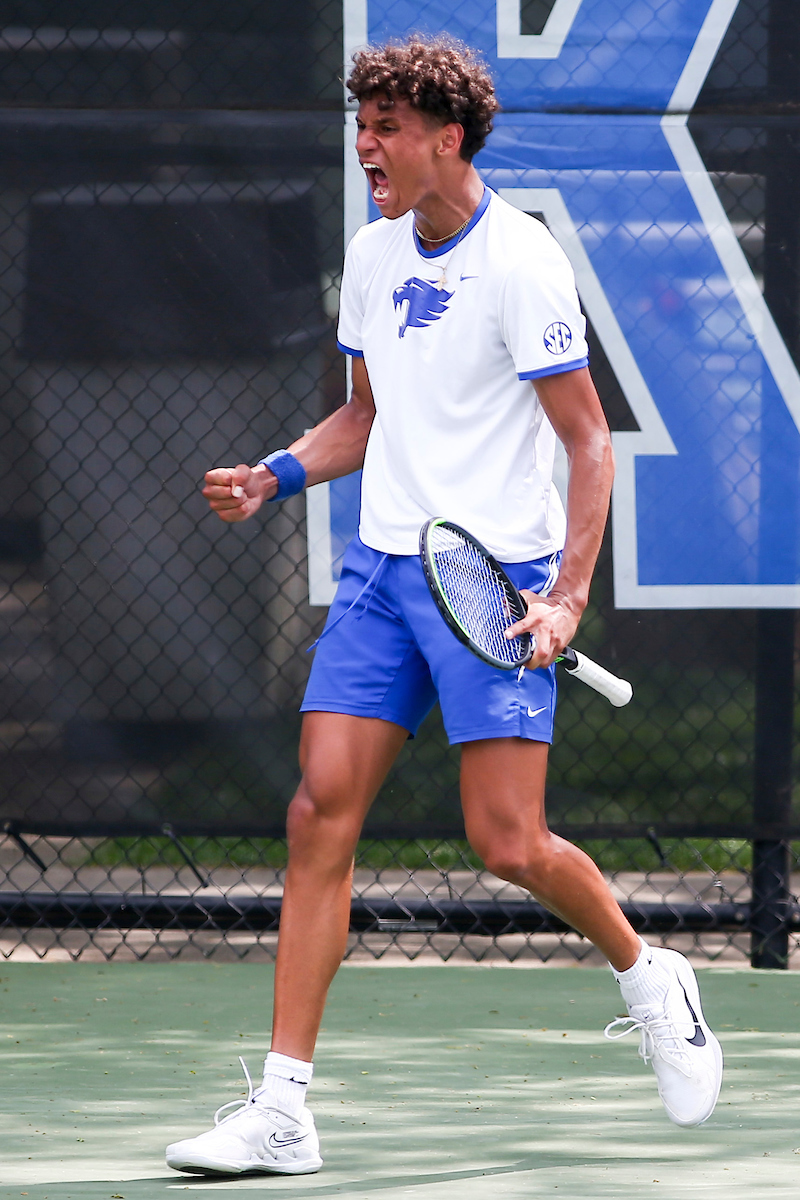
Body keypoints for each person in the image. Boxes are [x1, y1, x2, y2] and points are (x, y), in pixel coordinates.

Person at [165, 35, 723, 1178]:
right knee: (318, 811)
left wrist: (565, 597)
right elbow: (364, 420)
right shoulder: (372, 255)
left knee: (505, 840)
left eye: (385, 129)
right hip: (381, 571)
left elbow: (585, 443)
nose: (365, 146)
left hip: (494, 582)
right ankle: (282, 1109)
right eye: (359, 126)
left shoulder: (520, 263)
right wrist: (272, 474)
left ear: (445, 139)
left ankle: (645, 969)